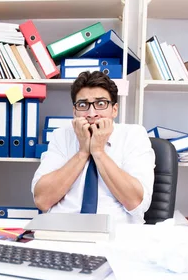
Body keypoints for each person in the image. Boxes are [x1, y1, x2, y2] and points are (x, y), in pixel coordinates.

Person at [31, 71, 156, 224]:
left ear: (114, 110)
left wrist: (98, 151)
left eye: (101, 104)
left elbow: (136, 202)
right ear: (74, 111)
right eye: (83, 105)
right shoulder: (61, 136)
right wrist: (83, 152)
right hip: (63, 229)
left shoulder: (133, 135)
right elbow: (42, 200)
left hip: (117, 233)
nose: (91, 113)